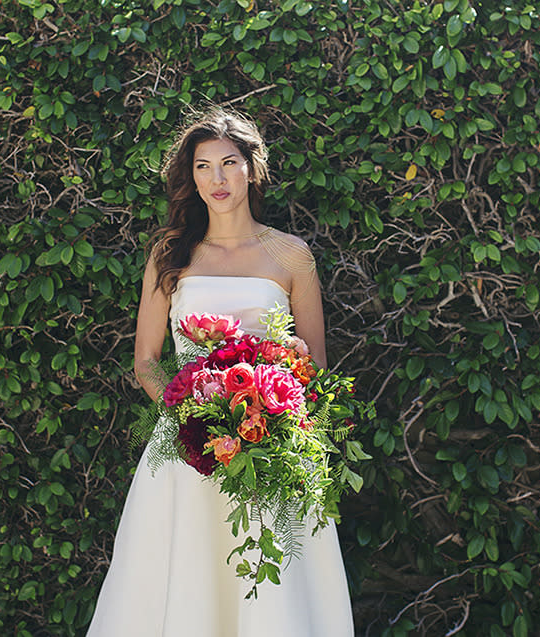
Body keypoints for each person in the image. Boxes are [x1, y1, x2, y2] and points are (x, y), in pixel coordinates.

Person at [86, 108, 354, 636]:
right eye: (204, 167)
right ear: (192, 177)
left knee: (269, 579)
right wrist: (193, 415)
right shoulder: (170, 254)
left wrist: (276, 409)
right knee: (187, 575)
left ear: (251, 169)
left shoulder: (292, 256)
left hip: (272, 446)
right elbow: (146, 360)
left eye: (229, 163)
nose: (217, 179)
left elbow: (317, 364)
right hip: (185, 449)